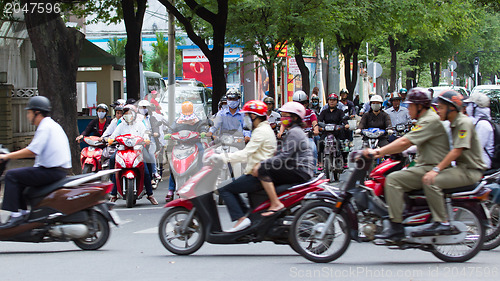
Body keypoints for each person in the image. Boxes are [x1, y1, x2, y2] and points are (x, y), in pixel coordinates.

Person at [0, 96, 71, 224]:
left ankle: (15, 216)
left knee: (11, 175)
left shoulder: (45, 127)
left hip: (51, 171)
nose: (27, 116)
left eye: (29, 112)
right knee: (21, 179)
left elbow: (32, 151)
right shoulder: (50, 125)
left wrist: (7, 156)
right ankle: (23, 213)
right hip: (54, 170)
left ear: (36, 113)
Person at [211, 100, 277, 232]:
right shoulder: (264, 128)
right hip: (259, 172)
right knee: (232, 185)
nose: (245, 119)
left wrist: (222, 158)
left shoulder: (260, 132)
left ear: (253, 116)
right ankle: (247, 216)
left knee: (223, 188)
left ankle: (241, 219)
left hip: (257, 175)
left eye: (247, 116)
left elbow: (245, 154)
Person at [252, 102, 315, 217]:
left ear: (295, 118)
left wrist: (262, 164)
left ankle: (276, 204)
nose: (282, 119)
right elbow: (281, 153)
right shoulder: (293, 131)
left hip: (300, 170)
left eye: (285, 116)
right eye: (282, 115)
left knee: (263, 170)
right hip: (297, 168)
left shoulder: (295, 132)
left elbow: (284, 157)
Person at [108, 104, 158, 205]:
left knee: (147, 168)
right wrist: (111, 139)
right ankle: (113, 194)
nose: (128, 115)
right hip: (122, 150)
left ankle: (150, 194)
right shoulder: (121, 125)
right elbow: (114, 135)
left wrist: (146, 139)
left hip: (138, 150)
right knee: (114, 163)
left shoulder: (139, 124)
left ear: (134, 114)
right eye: (125, 114)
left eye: (130, 113)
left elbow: (145, 133)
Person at [166, 101, 205, 201]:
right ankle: (170, 190)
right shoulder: (178, 121)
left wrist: (203, 132)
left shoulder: (197, 121)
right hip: (180, 145)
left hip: (194, 144)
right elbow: (171, 130)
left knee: (202, 151)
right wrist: (169, 134)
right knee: (173, 164)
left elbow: (203, 128)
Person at [279, 90, 319, 165]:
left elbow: (314, 123)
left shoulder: (310, 113)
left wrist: (315, 130)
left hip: (307, 137)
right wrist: (281, 132)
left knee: (313, 149)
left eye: (302, 103)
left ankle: (313, 170)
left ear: (306, 103)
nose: (300, 106)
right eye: (297, 103)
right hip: (292, 138)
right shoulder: (290, 113)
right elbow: (284, 123)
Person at [317, 93, 350, 169]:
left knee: (342, 144)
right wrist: (318, 126)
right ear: (328, 101)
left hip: (337, 132)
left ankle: (344, 161)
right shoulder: (324, 112)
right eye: (330, 100)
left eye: (334, 100)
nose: (332, 102)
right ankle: (320, 162)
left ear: (337, 102)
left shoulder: (340, 112)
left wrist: (346, 124)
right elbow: (319, 120)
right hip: (326, 132)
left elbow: (344, 119)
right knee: (320, 143)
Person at [463, 93, 494, 170]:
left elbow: (476, 148)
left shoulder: (483, 124)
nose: (467, 108)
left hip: (482, 164)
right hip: (477, 162)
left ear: (475, 106)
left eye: (469, 105)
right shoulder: (478, 122)